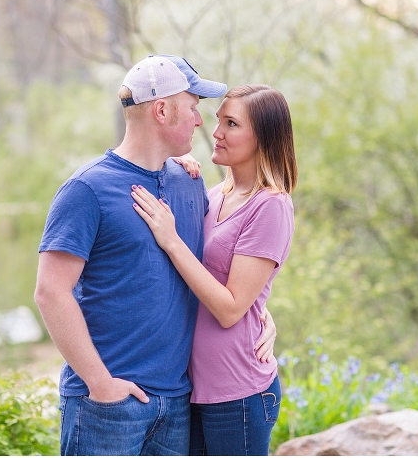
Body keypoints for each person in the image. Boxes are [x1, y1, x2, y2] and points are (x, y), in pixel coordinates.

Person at [34, 55, 276, 456]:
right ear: (162, 110)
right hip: (108, 404)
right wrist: (100, 384)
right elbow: (50, 292)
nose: (202, 122)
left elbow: (217, 268)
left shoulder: (191, 185)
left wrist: (261, 314)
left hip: (178, 403)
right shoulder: (87, 189)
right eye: (194, 108)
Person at [130, 84, 297, 455]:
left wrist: (171, 240)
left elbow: (229, 308)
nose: (216, 132)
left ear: (264, 138)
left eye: (232, 124)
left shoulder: (270, 206)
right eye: (219, 120)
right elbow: (213, 278)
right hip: (192, 387)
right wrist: (173, 167)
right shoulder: (214, 194)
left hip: (238, 394)